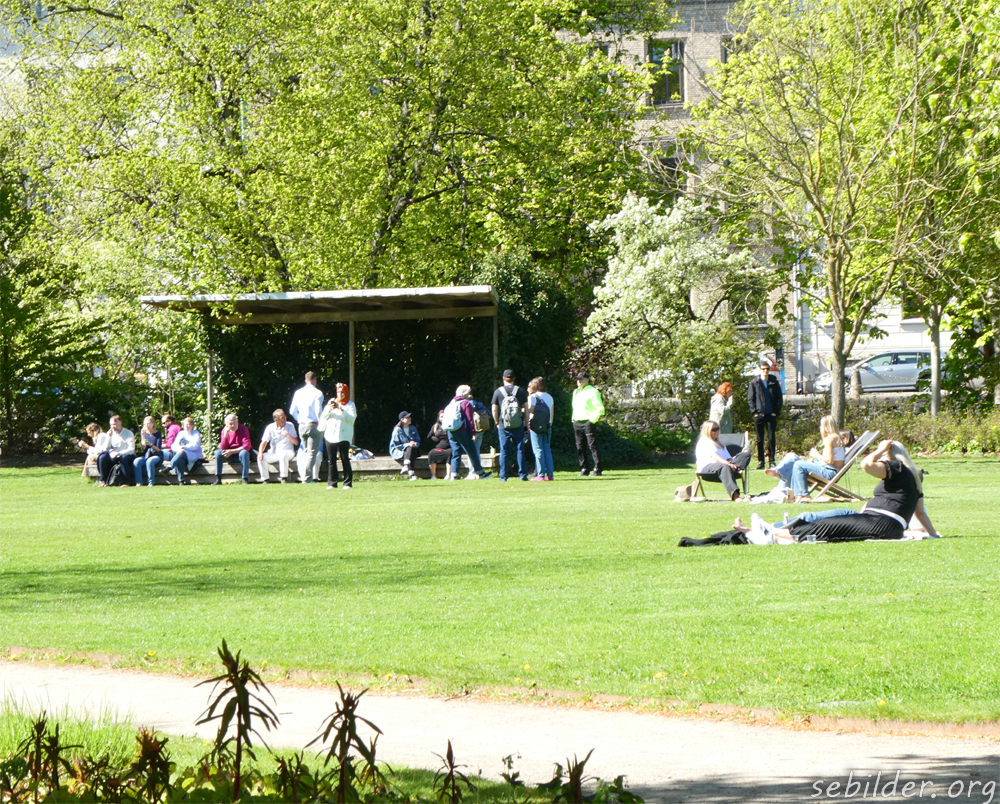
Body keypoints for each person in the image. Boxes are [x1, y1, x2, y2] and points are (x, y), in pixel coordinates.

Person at [767, 440, 940, 543]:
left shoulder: (897, 467)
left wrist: (879, 449)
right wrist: (933, 535)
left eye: (882, 457)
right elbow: (920, 513)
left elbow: (866, 464)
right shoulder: (913, 478)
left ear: (890, 456)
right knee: (814, 516)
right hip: (872, 517)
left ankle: (772, 533)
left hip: (881, 523)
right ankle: (771, 527)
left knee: (828, 525)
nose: (880, 460)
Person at [766, 414, 845, 502]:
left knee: (798, 464)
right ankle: (780, 478)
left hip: (829, 472)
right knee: (791, 457)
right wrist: (816, 461)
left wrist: (816, 455)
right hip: (831, 470)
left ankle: (803, 494)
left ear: (824, 426)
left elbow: (830, 461)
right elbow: (833, 460)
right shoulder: (838, 438)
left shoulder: (829, 439)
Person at [695, 419, 752, 501]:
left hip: (724, 466)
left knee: (746, 455)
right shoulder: (704, 441)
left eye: (718, 428)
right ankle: (735, 496)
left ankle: (734, 468)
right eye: (714, 429)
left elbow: (728, 458)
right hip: (707, 468)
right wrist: (728, 464)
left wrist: (738, 456)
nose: (717, 431)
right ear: (707, 431)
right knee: (724, 466)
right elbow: (714, 456)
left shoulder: (719, 444)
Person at [445, 385, 492, 480]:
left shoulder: (451, 403)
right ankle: (480, 473)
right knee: (472, 452)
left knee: (456, 452)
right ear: (465, 393)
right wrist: (473, 433)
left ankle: (454, 474)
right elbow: (470, 420)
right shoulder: (466, 403)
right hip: (462, 431)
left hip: (451, 431)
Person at [491, 369, 529, 482]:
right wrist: (525, 423)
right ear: (514, 378)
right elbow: (526, 409)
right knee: (520, 450)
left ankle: (503, 476)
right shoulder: (521, 391)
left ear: (503, 378)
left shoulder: (498, 392)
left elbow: (494, 410)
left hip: (504, 425)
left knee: (504, 451)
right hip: (518, 424)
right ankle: (522, 475)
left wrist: (497, 423)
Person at [289, 371, 325, 484]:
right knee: (312, 453)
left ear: (305, 380)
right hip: (313, 424)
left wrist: (299, 419)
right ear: (315, 380)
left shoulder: (298, 392)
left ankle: (304, 476)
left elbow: (292, 411)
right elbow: (318, 410)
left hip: (302, 425)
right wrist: (321, 421)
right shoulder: (318, 393)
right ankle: (307, 478)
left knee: (305, 452)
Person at [319, 383, 357, 490]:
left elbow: (351, 419)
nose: (341, 394)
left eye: (342, 392)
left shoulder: (350, 405)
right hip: (330, 435)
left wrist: (341, 409)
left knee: (345, 458)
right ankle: (332, 483)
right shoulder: (331, 402)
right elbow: (324, 416)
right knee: (331, 460)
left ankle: (347, 483)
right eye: (339, 392)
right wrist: (329, 409)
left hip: (344, 436)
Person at [748, 360, 783, 469]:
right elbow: (750, 399)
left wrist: (775, 412)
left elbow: (779, 398)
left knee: (771, 438)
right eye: (763, 369)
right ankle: (761, 462)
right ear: (759, 370)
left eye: (767, 369)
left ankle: (772, 461)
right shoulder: (754, 382)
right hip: (759, 415)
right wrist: (755, 412)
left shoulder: (774, 382)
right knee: (760, 439)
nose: (765, 371)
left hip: (771, 414)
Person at [571, 371, 604, 477]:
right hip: (577, 421)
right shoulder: (576, 392)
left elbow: (600, 408)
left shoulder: (593, 391)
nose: (579, 381)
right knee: (580, 447)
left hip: (588, 421)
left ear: (587, 380)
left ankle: (597, 469)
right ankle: (584, 469)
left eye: (581, 379)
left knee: (592, 446)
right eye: (577, 379)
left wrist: (592, 420)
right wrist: (574, 418)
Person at [257, 409, 300, 483]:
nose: (285, 419)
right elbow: (263, 442)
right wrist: (260, 453)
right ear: (276, 419)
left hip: (288, 451)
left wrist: (288, 434)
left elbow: (296, 442)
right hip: (274, 453)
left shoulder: (290, 425)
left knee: (283, 455)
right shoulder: (270, 427)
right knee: (261, 457)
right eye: (282, 418)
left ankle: (284, 478)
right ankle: (265, 479)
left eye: (285, 417)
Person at [526, 376, 554, 481]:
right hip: (547, 425)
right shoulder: (549, 397)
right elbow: (552, 413)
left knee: (538, 449)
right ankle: (550, 475)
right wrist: (550, 424)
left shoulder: (533, 396)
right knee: (547, 449)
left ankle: (540, 474)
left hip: (535, 426)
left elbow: (531, 410)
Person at [213, 413, 254, 484]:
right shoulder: (224, 431)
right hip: (229, 456)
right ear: (226, 425)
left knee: (244, 453)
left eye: (235, 423)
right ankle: (218, 479)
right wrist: (225, 435)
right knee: (218, 453)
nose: (233, 426)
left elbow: (247, 446)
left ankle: (245, 479)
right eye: (231, 424)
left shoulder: (243, 429)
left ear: (237, 422)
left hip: (240, 454)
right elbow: (222, 448)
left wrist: (231, 451)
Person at [96, 415, 136, 486]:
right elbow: (106, 448)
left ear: (120, 423)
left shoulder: (128, 433)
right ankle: (103, 481)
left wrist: (119, 453)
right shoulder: (110, 433)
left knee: (123, 458)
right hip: (114, 455)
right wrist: (108, 437)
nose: (112, 427)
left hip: (127, 455)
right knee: (102, 457)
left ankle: (126, 482)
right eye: (111, 425)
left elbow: (131, 449)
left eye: (114, 424)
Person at [166, 417, 203, 485]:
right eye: (185, 424)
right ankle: (181, 481)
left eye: (188, 424)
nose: (186, 426)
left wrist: (183, 447)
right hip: (182, 453)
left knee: (181, 452)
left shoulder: (196, 434)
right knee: (180, 460)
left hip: (193, 455)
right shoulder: (181, 433)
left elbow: (195, 446)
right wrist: (179, 448)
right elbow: (174, 445)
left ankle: (169, 467)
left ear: (192, 426)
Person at [132, 416, 164, 487]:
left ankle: (151, 482)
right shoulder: (144, 434)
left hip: (156, 455)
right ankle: (139, 482)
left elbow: (158, 449)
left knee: (149, 461)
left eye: (149, 423)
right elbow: (143, 447)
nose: (147, 426)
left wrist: (150, 444)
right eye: (145, 424)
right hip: (146, 455)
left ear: (153, 424)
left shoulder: (158, 434)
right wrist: (143, 436)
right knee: (136, 461)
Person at [390, 411, 422, 480]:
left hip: (412, 450)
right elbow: (396, 445)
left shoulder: (413, 428)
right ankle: (412, 475)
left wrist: (414, 444)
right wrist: (408, 444)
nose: (410, 419)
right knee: (409, 449)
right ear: (402, 419)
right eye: (407, 418)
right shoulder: (397, 430)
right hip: (399, 451)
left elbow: (418, 440)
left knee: (411, 449)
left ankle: (406, 465)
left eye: (410, 417)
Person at [426, 410, 453, 480]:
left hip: (449, 447)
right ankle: (433, 476)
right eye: (441, 416)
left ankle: (448, 475)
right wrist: (434, 438)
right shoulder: (436, 426)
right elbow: (430, 436)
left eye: (444, 416)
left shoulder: (451, 424)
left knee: (450, 453)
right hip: (439, 446)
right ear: (439, 417)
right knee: (431, 453)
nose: (443, 418)